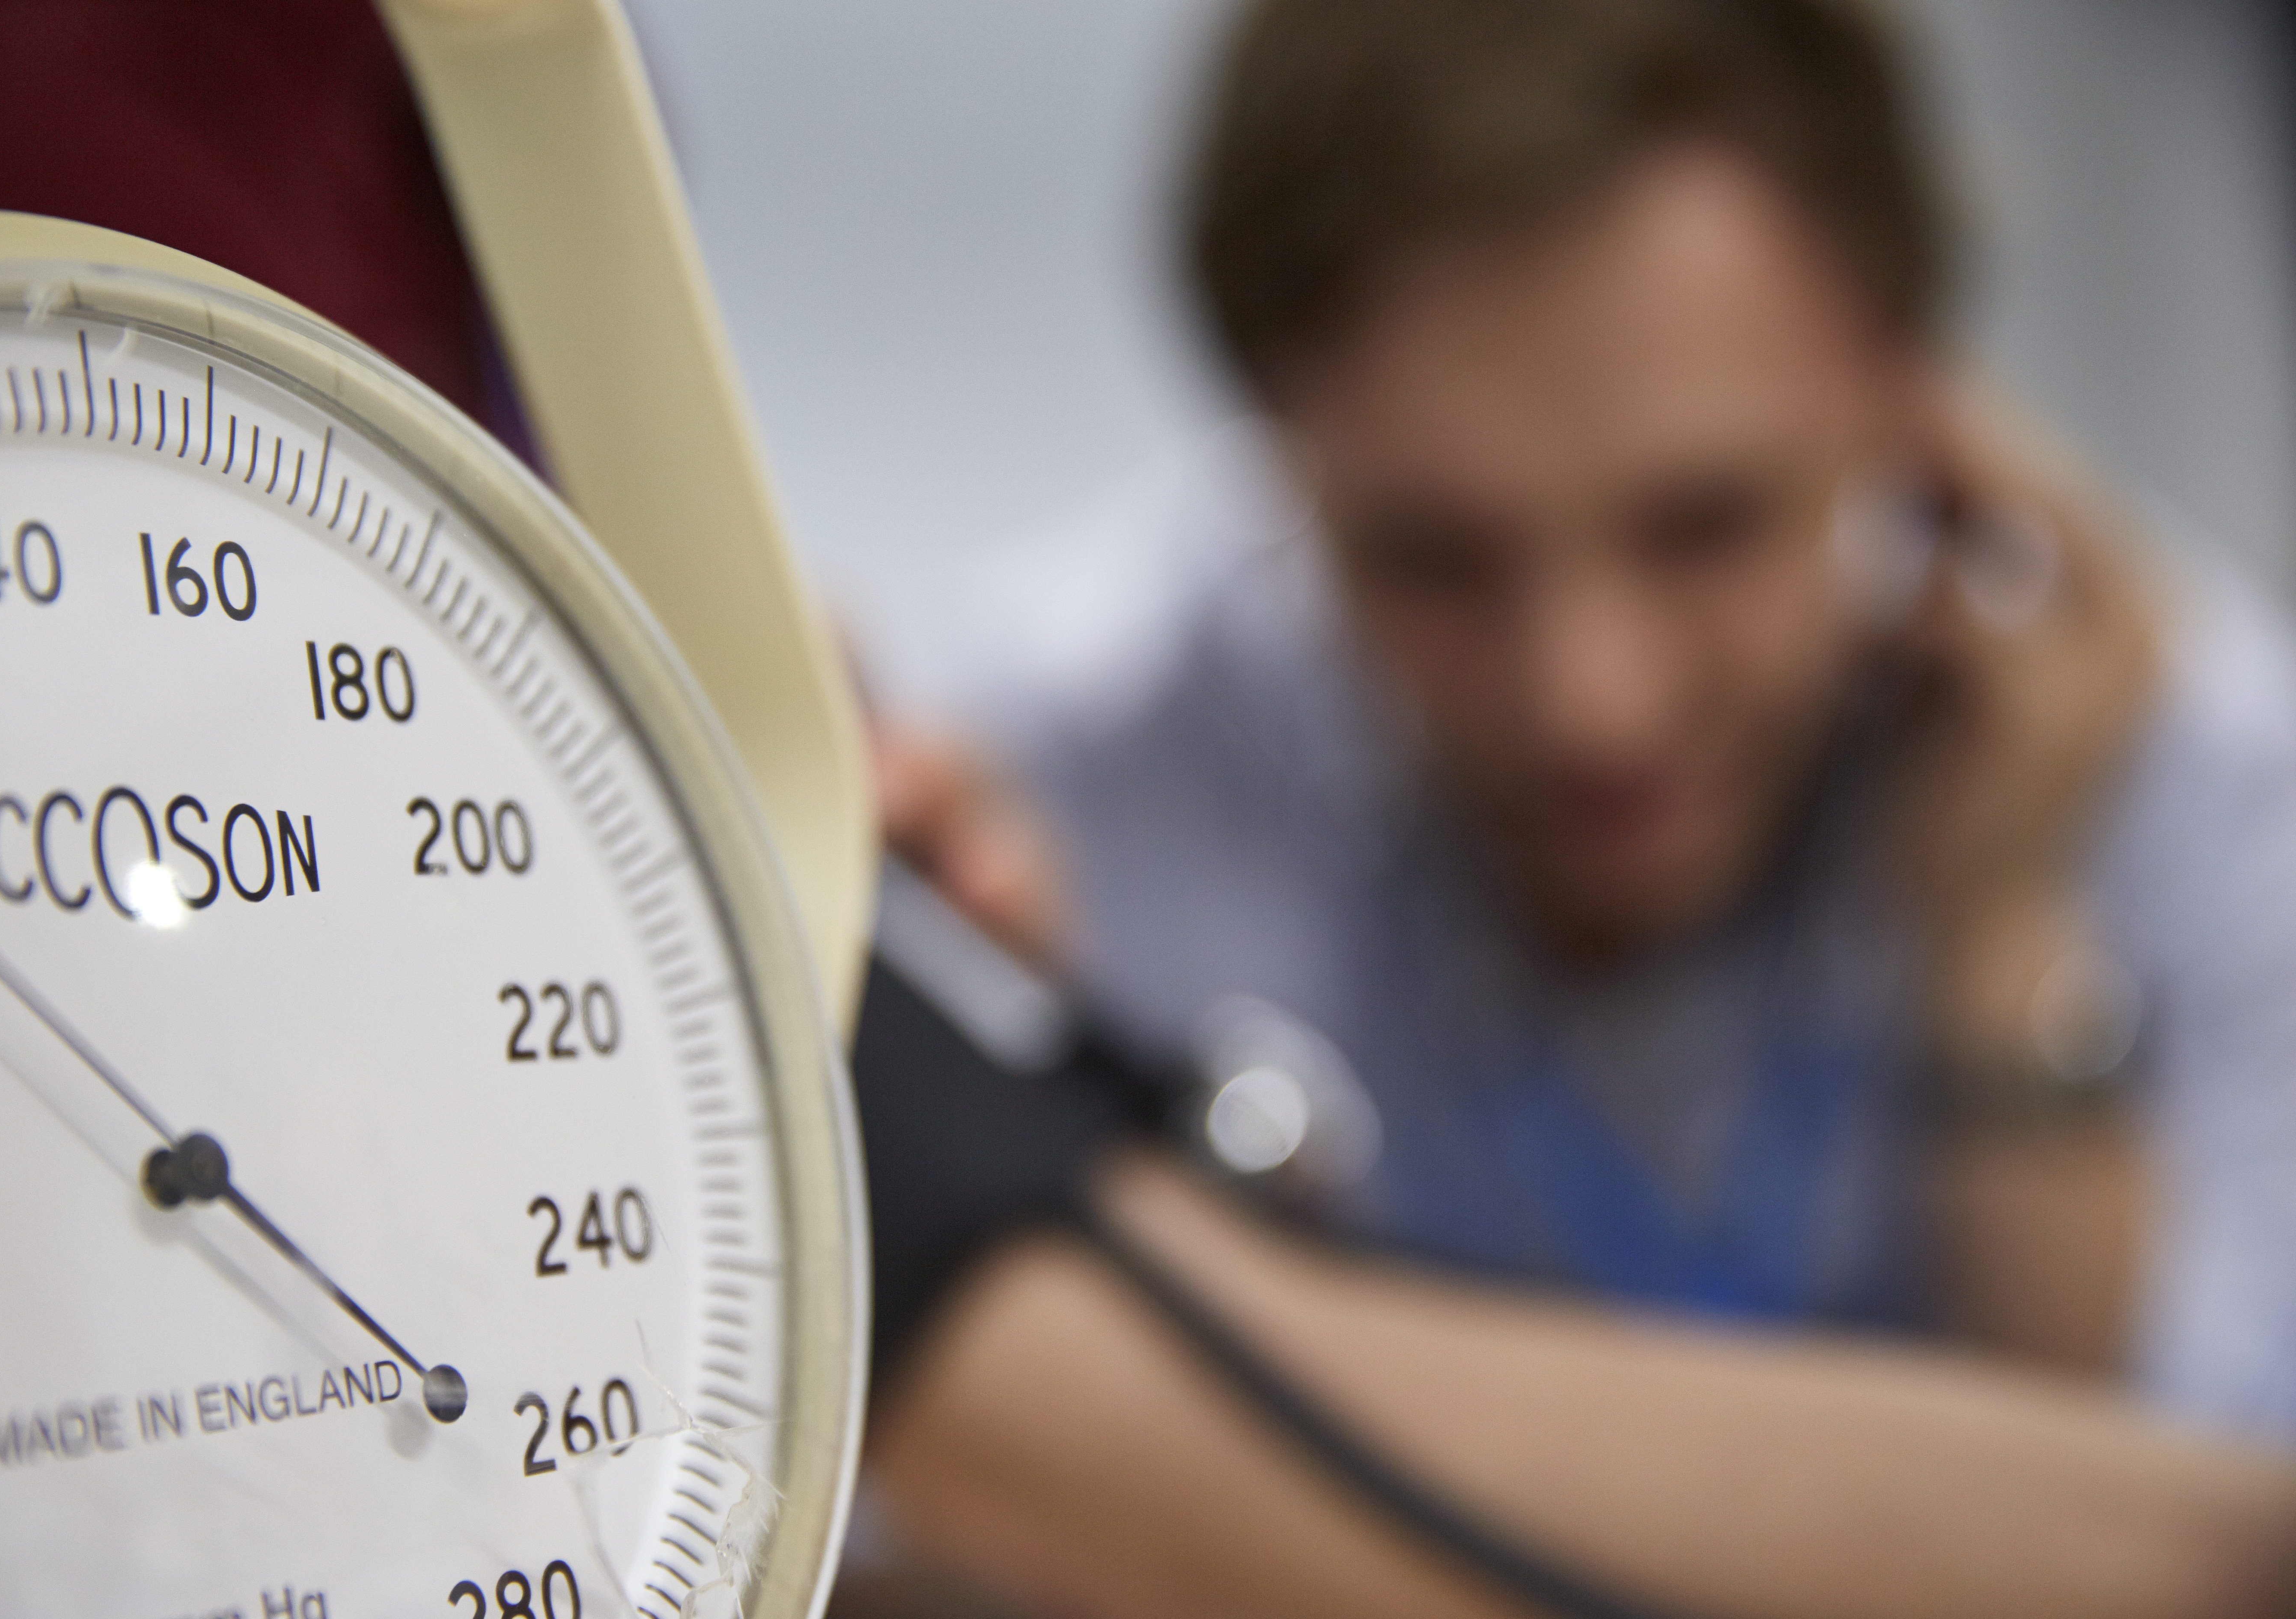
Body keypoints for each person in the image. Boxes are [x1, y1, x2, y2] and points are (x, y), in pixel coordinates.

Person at [852, 0, 2296, 1611]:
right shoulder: (1043, 783)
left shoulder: (2170, 760)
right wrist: (1026, 1092)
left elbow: (2194, 1530)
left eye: (1702, 525)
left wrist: (2005, 947)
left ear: (1913, 406)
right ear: (1276, 445)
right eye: (1432, 557)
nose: (1584, 699)